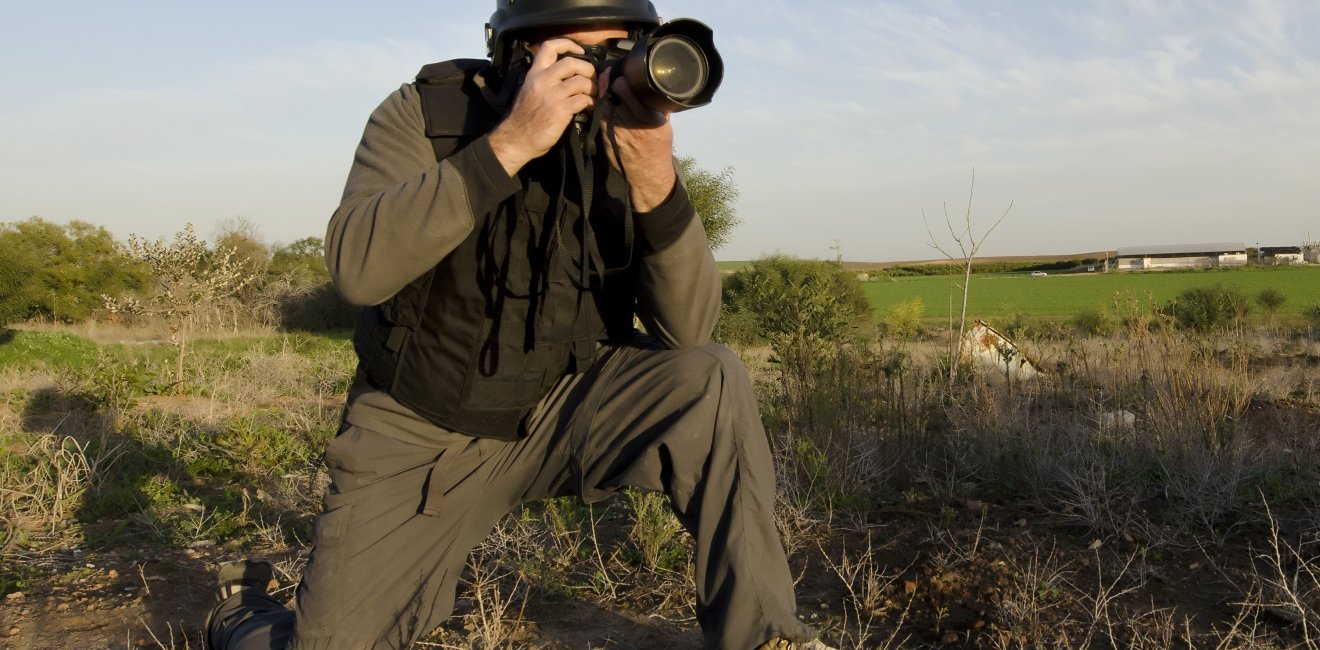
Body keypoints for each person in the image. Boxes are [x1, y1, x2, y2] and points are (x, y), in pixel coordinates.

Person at [204, 1, 834, 648]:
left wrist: (654, 180)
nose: (598, 74)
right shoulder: (427, 114)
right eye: (572, 55)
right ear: (516, 55)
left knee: (712, 376)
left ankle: (766, 636)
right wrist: (509, 146)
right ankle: (241, 616)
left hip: (566, 403)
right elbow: (357, 270)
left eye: (618, 51)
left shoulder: (628, 143)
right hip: (421, 429)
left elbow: (690, 333)